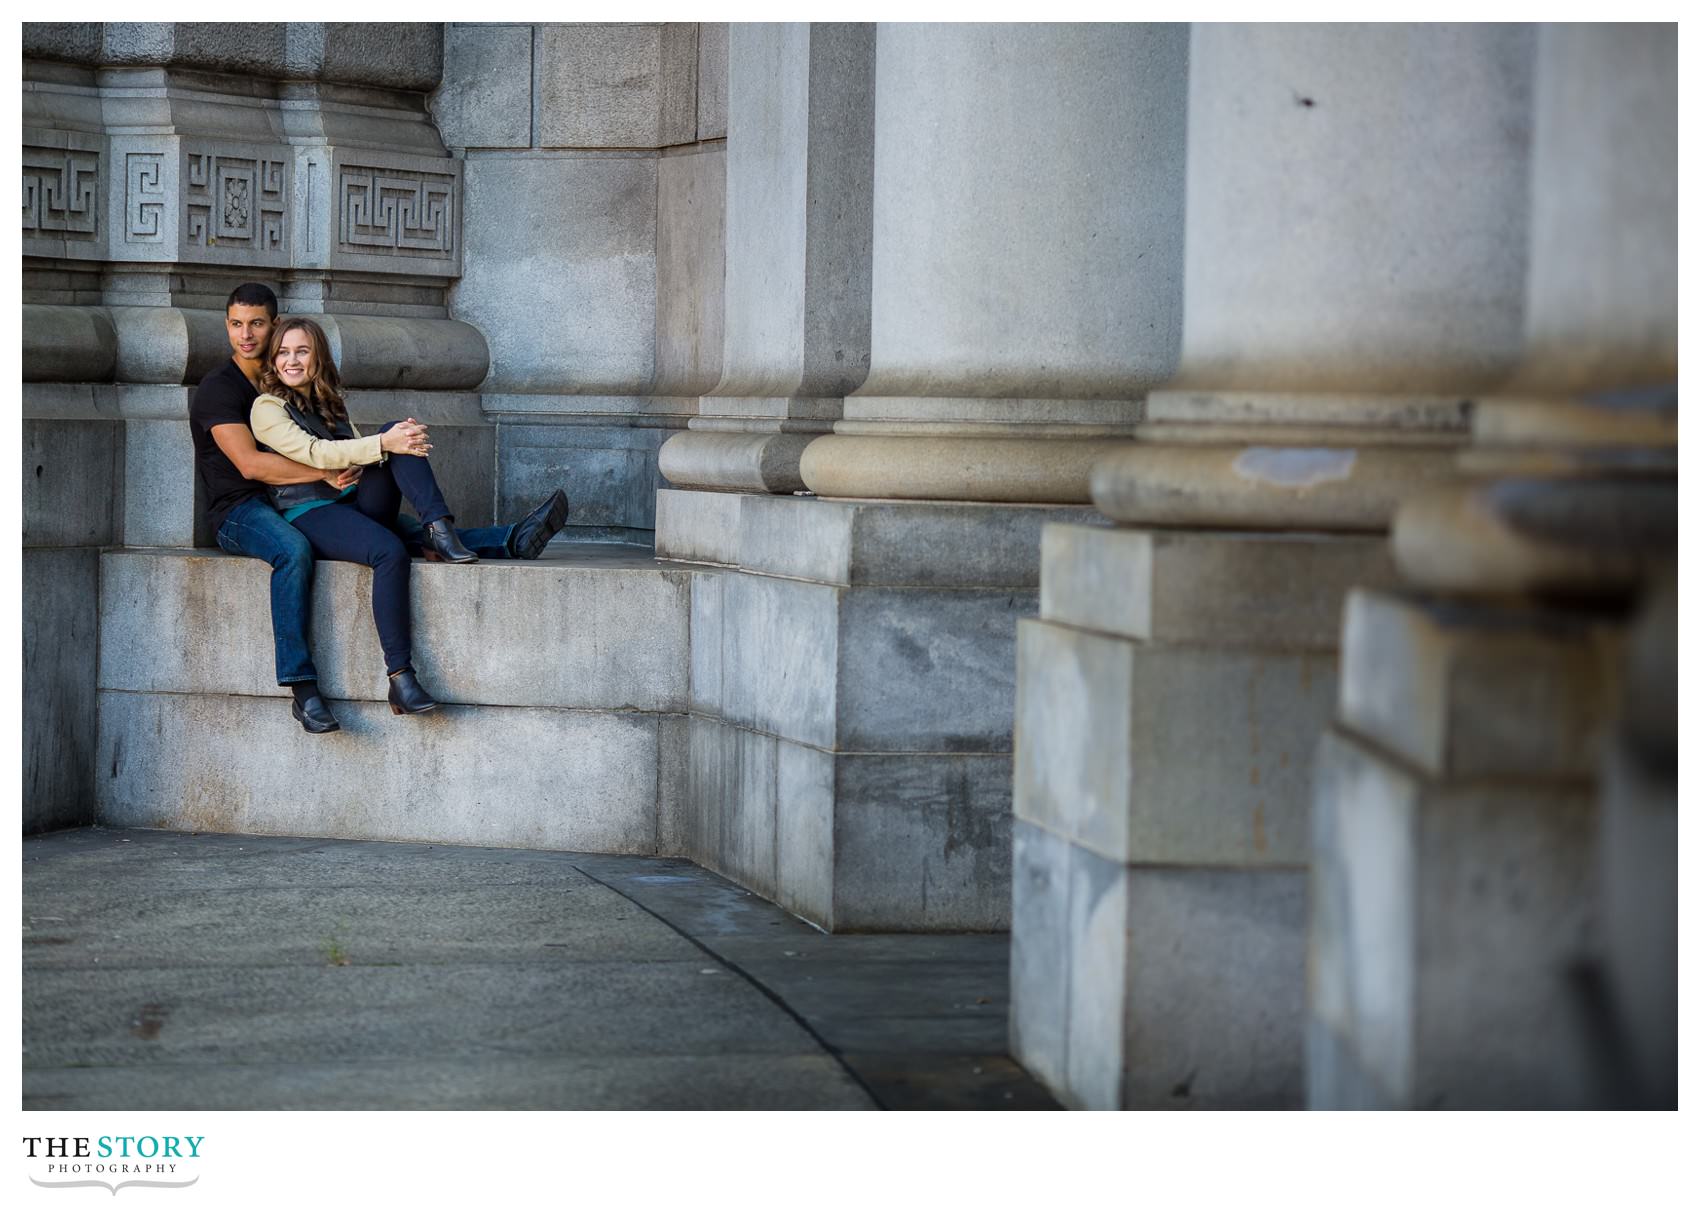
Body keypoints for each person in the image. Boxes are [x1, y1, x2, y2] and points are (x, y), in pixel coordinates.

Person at [191, 282, 569, 736]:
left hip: (331, 496)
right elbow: (253, 465)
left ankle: (481, 535)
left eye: (257, 325)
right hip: (246, 509)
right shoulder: (236, 394)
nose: (247, 334)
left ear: (274, 328)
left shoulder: (317, 396)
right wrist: (346, 464)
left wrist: (384, 446)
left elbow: (346, 449)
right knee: (299, 549)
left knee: (400, 495)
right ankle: (303, 687)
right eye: (236, 324)